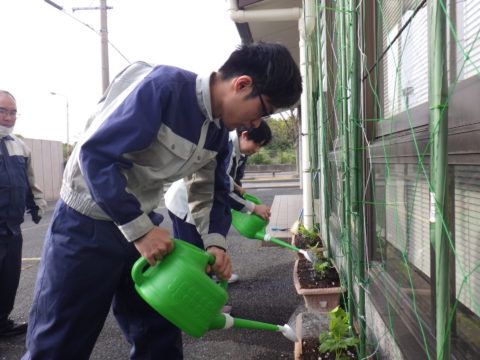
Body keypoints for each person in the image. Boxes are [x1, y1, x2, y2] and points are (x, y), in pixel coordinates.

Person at [22, 41, 301, 360]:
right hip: (86, 225)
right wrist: (141, 231)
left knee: (159, 334)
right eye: (262, 112)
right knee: (60, 342)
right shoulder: (162, 88)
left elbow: (210, 191)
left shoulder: (216, 134)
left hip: (143, 228)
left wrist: (215, 243)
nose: (255, 124)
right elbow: (96, 156)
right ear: (242, 84)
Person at [165, 120, 273, 287]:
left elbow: (231, 182)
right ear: (244, 135)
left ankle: (210, 279)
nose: (257, 150)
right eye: (257, 144)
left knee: (209, 246)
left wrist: (236, 190)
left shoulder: (239, 152)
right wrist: (252, 208)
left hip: (200, 204)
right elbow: (221, 187)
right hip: (186, 205)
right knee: (194, 254)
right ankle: (197, 296)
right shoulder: (227, 145)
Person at [0, 90, 46, 338]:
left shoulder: (19, 146)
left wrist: (37, 204)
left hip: (12, 229)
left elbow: (29, 181)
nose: (8, 117)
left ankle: (2, 322)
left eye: (12, 112)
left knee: (8, 280)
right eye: (2, 111)